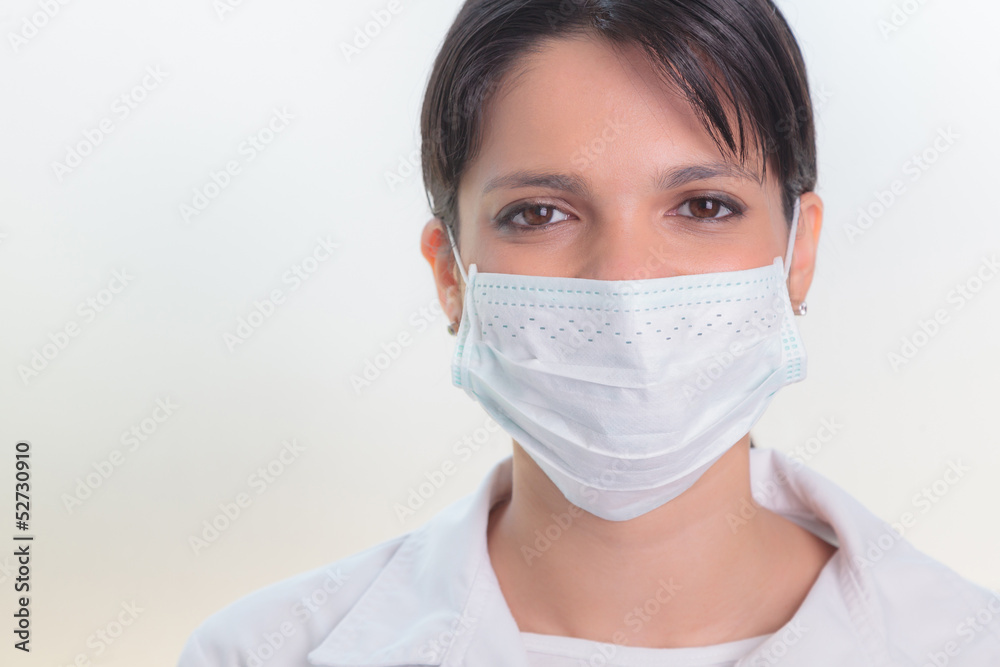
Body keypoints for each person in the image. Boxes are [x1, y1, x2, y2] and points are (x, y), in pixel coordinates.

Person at [177, 1, 1000, 665]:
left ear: (799, 250)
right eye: (539, 213)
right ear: (450, 273)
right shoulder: (257, 651)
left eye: (703, 206)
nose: (625, 282)